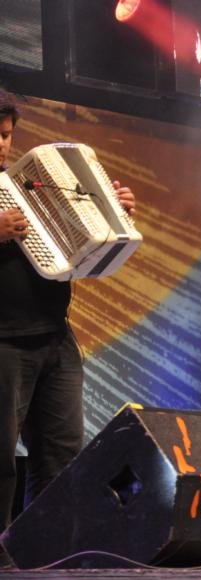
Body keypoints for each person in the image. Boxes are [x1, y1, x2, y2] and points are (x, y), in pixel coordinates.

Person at [0, 88, 137, 546]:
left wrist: (113, 210)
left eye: (6, 135)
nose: (2, 144)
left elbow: (80, 241)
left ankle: (45, 555)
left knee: (61, 458)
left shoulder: (28, 183)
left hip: (55, 339)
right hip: (3, 343)